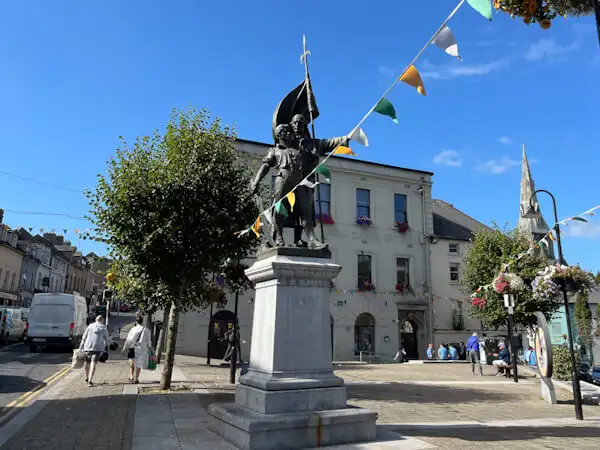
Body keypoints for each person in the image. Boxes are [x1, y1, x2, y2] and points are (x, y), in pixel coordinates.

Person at [79, 315, 110, 387]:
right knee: (93, 363)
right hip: (98, 348)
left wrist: (81, 346)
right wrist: (107, 345)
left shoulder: (90, 326)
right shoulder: (103, 327)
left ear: (96, 320)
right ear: (102, 320)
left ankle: (86, 377)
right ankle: (90, 380)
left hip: (87, 347)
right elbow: (107, 338)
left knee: (87, 362)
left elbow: (84, 336)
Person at [123, 314, 152, 384]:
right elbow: (148, 340)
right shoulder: (146, 329)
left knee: (132, 361)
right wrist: (149, 347)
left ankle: (131, 376)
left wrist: (125, 346)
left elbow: (128, 338)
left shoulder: (133, 329)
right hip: (141, 348)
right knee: (138, 364)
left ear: (136, 322)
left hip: (132, 347)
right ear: (142, 322)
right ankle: (136, 378)